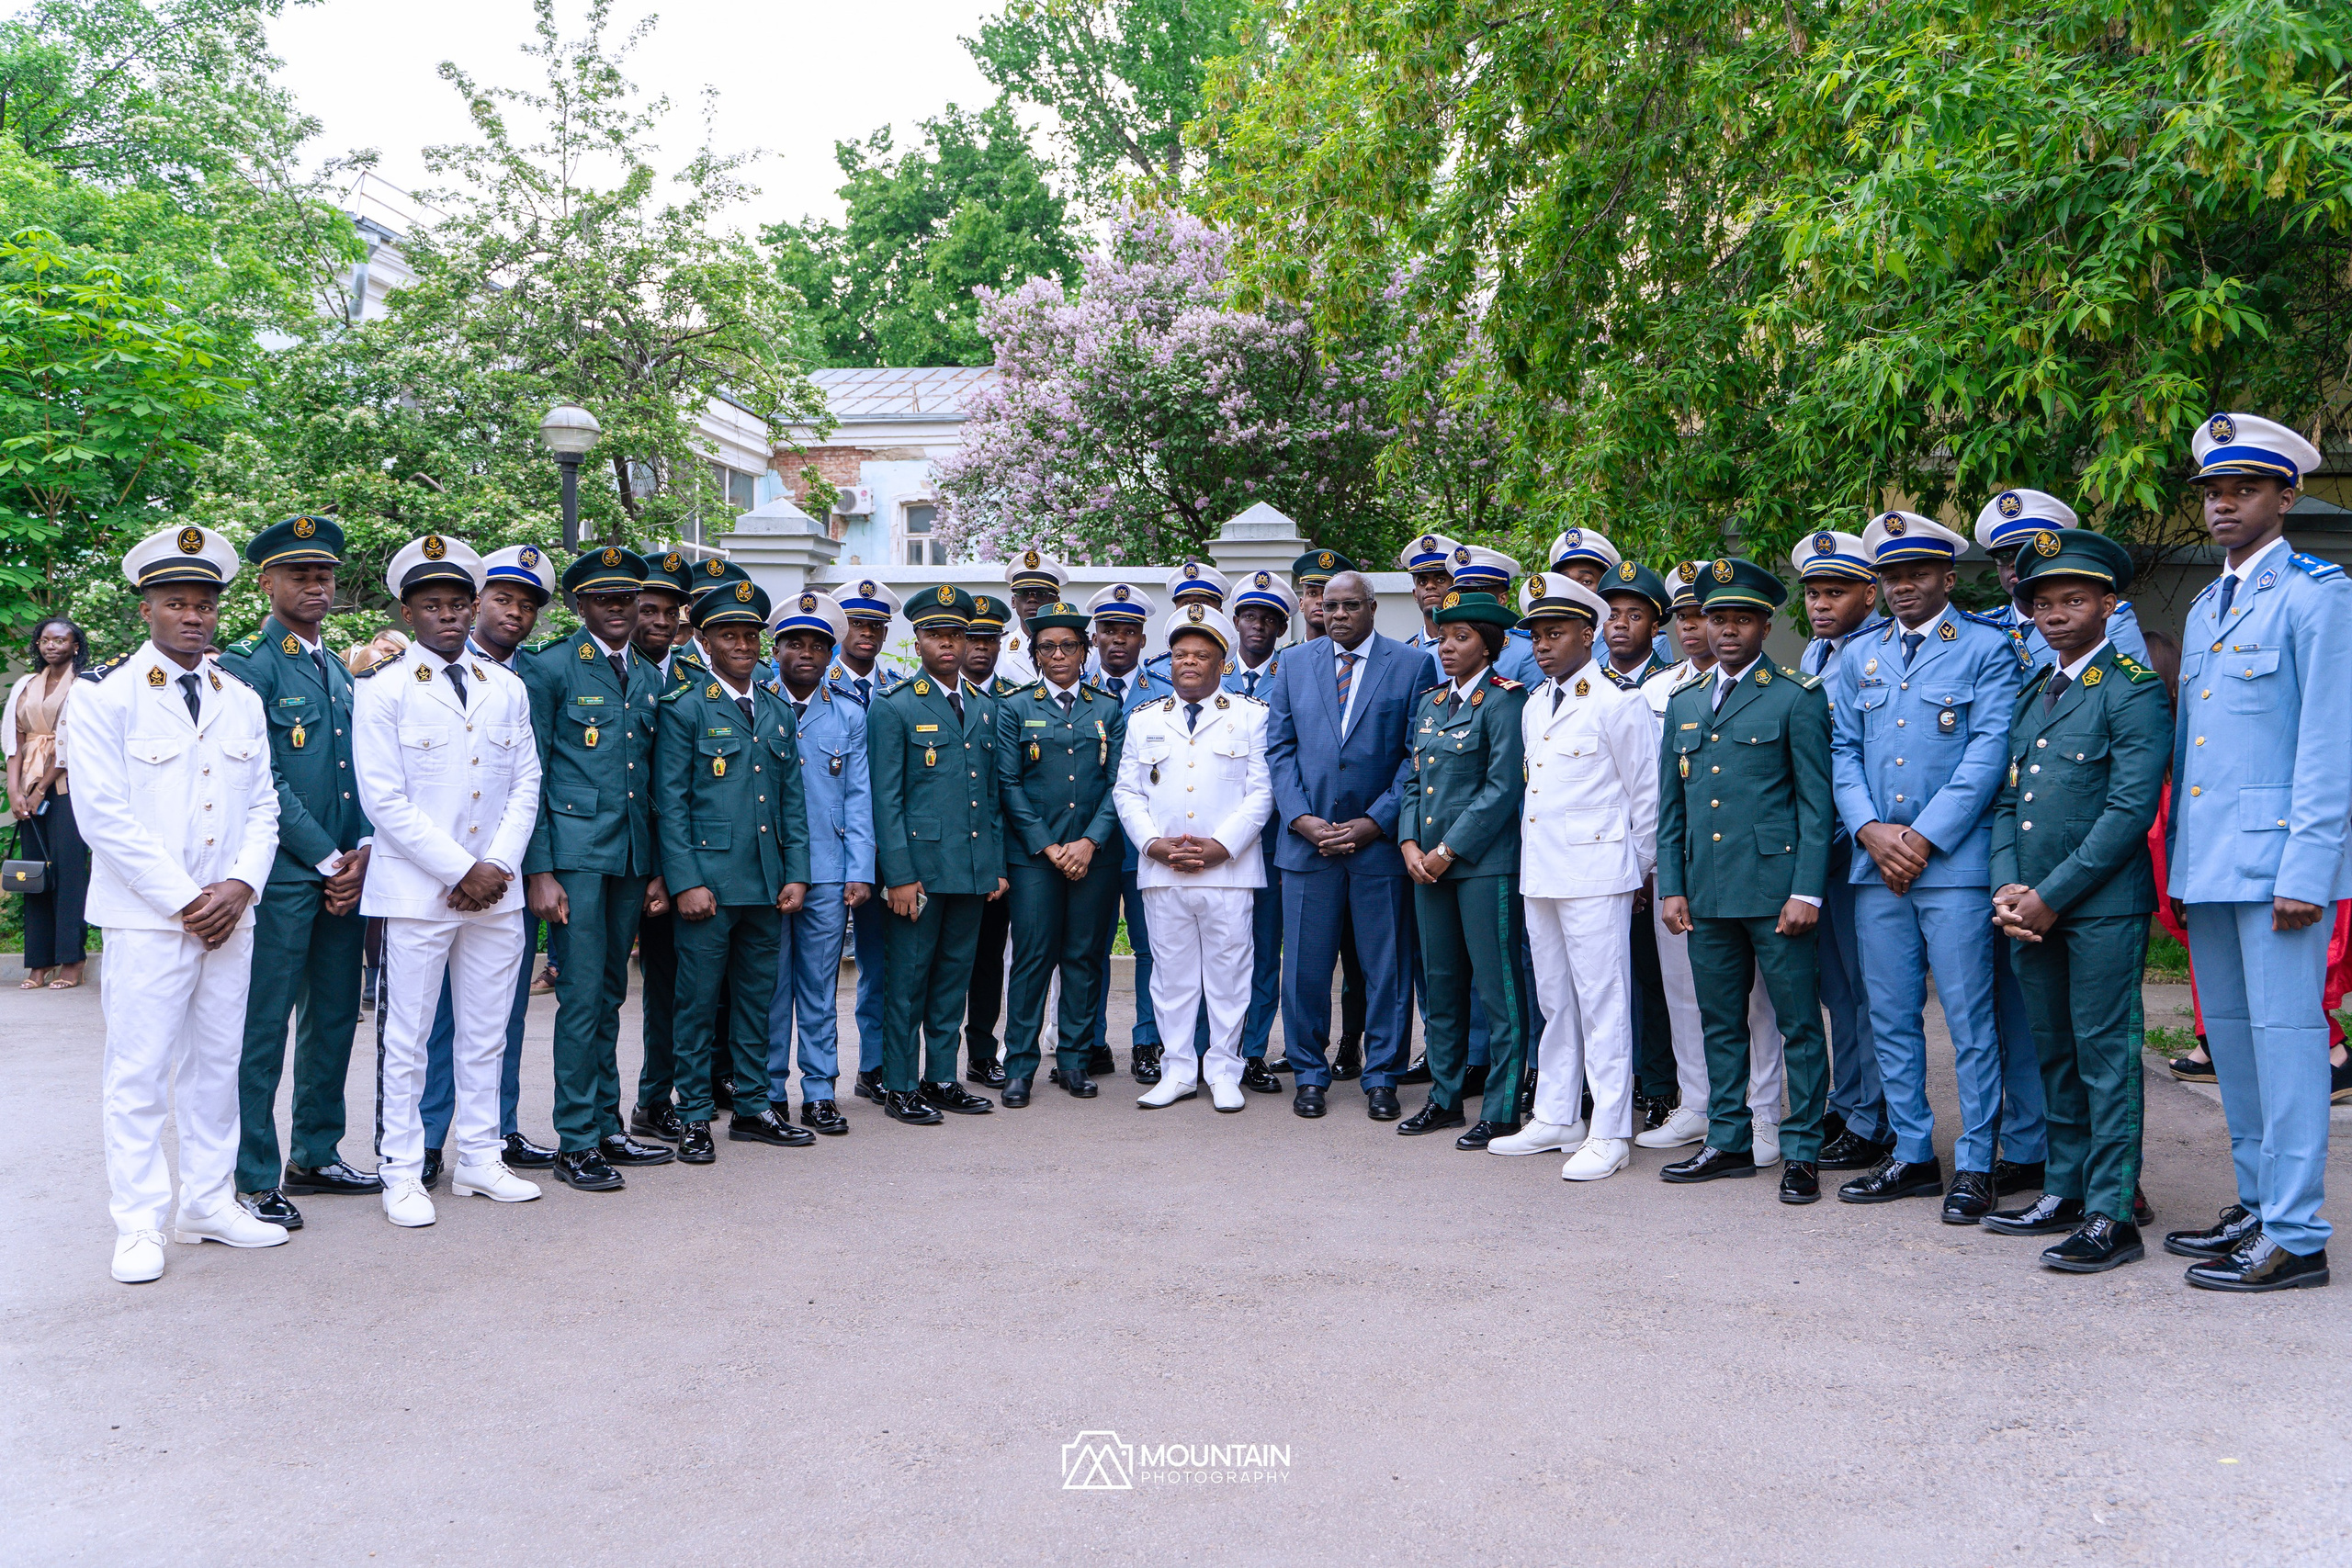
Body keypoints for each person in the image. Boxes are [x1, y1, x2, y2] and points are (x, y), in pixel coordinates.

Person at [74, 525, 288, 1282]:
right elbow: (103, 816)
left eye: (204, 604)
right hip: (150, 917)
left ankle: (207, 1200)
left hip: (232, 914)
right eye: (176, 603)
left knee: (217, 1063)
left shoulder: (242, 697)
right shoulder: (104, 695)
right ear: (147, 611)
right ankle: (138, 1222)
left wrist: (240, 886)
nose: (194, 616)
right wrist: (186, 899)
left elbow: (264, 805)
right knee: (138, 1071)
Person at [2163, 413, 2346, 1292]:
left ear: (2287, 493)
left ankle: (2299, 1234)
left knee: (2287, 1045)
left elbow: (2329, 743)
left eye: (2244, 488)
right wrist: (2184, 871)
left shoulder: (2319, 595)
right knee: (2234, 1047)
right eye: (2213, 490)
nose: (2225, 503)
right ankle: (2258, 1205)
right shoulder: (2206, 604)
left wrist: (2309, 871)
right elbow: (2198, 751)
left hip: (2280, 869)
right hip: (2213, 865)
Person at [1830, 511, 2046, 1220]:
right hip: (1877, 868)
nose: (1902, 586)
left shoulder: (1986, 648)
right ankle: (1914, 1153)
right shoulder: (1859, 655)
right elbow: (1841, 750)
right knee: (1890, 1014)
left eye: (1917, 573)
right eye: (1891, 575)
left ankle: (1979, 1160)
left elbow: (1990, 753)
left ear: (1948, 578)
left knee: (1969, 1018)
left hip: (1950, 865)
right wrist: (1868, 829)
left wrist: (1920, 837)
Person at [1984, 528, 2169, 1272]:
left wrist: (2050, 896)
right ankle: (2063, 1189)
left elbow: (2128, 812)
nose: (2055, 613)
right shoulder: (2036, 694)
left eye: (2073, 599)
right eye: (2043, 602)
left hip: (2097, 909)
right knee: (2054, 1052)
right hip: (2029, 908)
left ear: (2108, 603)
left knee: (2104, 1058)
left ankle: (2111, 1211)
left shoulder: (2132, 688)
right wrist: (2007, 885)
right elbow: (2006, 801)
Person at [351, 535, 545, 1227]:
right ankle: (401, 1172)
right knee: (405, 1036)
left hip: (497, 889)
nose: (449, 616)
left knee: (487, 1031)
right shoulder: (383, 691)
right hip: (419, 890)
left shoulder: (509, 687)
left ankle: (481, 1158)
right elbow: (384, 799)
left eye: (459, 603)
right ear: (408, 613)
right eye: (432, 605)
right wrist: (463, 869)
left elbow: (526, 783)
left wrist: (495, 865)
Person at [215, 517, 380, 1230]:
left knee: (335, 1017)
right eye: (300, 575)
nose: (316, 586)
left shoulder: (339, 669)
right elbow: (265, 778)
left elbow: (365, 774)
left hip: (346, 872)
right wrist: (326, 856)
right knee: (264, 1026)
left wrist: (364, 849)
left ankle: (315, 1151)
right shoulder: (250, 667)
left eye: (324, 575)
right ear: (267, 583)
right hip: (284, 874)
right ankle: (253, 1173)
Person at [1653, 558, 1833, 1204]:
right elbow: (1671, 806)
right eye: (1715, 618)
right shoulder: (1685, 702)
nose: (1726, 631)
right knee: (1720, 1020)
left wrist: (1807, 890)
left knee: (1796, 1024)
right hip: (1706, 890)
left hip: (1776, 889)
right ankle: (1728, 1141)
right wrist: (1671, 885)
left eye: (1741, 619)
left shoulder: (1796, 696)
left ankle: (1802, 1149)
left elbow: (1817, 804)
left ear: (1763, 624)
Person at [1492, 574, 1657, 1179]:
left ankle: (1610, 1129)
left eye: (1555, 632)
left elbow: (1646, 796)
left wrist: (1637, 871)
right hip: (1544, 872)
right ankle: (1558, 1114)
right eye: (1535, 633)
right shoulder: (1537, 703)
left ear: (1588, 633)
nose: (1541, 644)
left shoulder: (1618, 701)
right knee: (1555, 1000)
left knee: (1603, 1002)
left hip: (1597, 872)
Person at [520, 547, 674, 1193]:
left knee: (611, 993)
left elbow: (652, 779)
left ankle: (608, 1124)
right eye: (605, 599)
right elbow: (534, 776)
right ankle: (576, 1138)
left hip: (629, 858)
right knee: (580, 998)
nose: (619, 610)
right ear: (580, 605)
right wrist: (541, 869)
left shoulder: (647, 674)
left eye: (628, 600)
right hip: (576, 860)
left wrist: (659, 868)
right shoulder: (551, 668)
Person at [1265, 569, 1439, 1121]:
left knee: (1386, 969)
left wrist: (1376, 821)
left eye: (1349, 606)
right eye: (1328, 605)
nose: (1337, 614)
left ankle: (1382, 1076)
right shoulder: (1293, 664)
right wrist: (1300, 819)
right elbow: (1280, 750)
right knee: (1306, 970)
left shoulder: (1411, 665)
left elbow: (1418, 755)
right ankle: (1310, 1074)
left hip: (1378, 848)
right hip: (1308, 847)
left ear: (1372, 608)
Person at [654, 581, 815, 1161]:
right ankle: (694, 1114)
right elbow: (668, 803)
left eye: (752, 635)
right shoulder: (685, 706)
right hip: (710, 885)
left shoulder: (774, 708)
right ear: (704, 640)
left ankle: (752, 1106)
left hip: (767, 884)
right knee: (696, 1004)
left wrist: (797, 873)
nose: (743, 644)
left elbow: (791, 799)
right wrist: (686, 881)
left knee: (756, 1002)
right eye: (729, 634)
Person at [416, 544, 562, 1180]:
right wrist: (457, 867)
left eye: (527, 605)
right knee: (432, 1017)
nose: (514, 613)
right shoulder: (415, 670)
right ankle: (422, 1141)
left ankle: (496, 1134)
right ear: (477, 603)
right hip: (435, 875)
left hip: (504, 873)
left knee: (499, 1012)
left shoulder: (531, 677)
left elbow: (537, 782)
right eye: (503, 599)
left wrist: (516, 865)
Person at [1634, 560, 1786, 1158]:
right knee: (1687, 992)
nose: (1696, 628)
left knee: (1758, 1002)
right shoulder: (1660, 692)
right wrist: (1658, 868)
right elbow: (1658, 794)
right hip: (1685, 868)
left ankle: (1762, 1108)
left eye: (1708, 615)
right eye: (1687, 616)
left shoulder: (1780, 691)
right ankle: (1698, 1103)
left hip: (1751, 868)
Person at [1116, 604, 1272, 1111]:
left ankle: (1225, 1069)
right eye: (1180, 653)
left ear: (1221, 662)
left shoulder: (1252, 716)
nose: (1188, 662)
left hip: (1227, 872)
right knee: (1172, 977)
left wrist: (1222, 846)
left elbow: (1261, 792)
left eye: (1201, 655)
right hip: (1163, 871)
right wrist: (1152, 844)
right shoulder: (1144, 720)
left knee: (1230, 975)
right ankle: (1178, 1069)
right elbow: (1127, 792)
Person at [1395, 589, 1532, 1148]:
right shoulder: (1431, 702)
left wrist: (1447, 850)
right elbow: (1412, 779)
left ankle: (1500, 1109)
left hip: (1481, 867)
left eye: (1462, 637)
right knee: (1444, 987)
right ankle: (1446, 1098)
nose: (1447, 646)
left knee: (1499, 991)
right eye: (1443, 635)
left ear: (1490, 645)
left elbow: (1502, 788)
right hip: (1426, 867)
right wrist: (1407, 842)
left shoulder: (1506, 702)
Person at [867, 586, 1007, 1124]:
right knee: (908, 982)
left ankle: (941, 1077)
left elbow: (990, 796)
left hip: (971, 870)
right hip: (919, 875)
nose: (947, 644)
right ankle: (900, 1086)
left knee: (953, 978)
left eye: (956, 634)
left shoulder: (981, 705)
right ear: (918, 640)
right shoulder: (896, 705)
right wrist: (899, 875)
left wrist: (994, 865)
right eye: (935, 635)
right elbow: (887, 799)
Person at [1791, 530, 1894, 1172]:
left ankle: (1874, 1117)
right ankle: (1848, 1096)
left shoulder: (1880, 648)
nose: (1821, 604)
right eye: (1813, 592)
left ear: (1869, 592)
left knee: (1870, 986)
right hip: (1817, 845)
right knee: (1836, 987)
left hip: (1860, 842)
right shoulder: (1815, 651)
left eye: (1836, 592)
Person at [996, 598, 1125, 1104]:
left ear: (1084, 650)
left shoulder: (1108, 708)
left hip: (1095, 856)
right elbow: (1008, 784)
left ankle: (1073, 1061)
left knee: (1084, 957)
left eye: (1068, 645)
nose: (1058, 655)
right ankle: (1020, 1065)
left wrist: (1089, 842)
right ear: (1034, 654)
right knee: (1032, 957)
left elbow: (1121, 784)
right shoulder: (1016, 707)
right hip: (1035, 859)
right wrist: (1051, 847)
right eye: (1047, 647)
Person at [763, 591, 873, 1135]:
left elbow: (858, 797)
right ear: (776, 647)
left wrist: (860, 870)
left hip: (830, 870)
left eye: (817, 644)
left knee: (818, 985)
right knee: (768, 986)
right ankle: (766, 1092)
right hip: (768, 869)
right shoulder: (757, 703)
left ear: (832, 653)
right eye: (794, 643)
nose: (806, 652)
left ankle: (821, 1089)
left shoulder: (848, 713)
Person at [1081, 582, 1173, 1082]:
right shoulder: (1078, 690)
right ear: (1094, 638)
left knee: (1148, 947)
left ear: (1143, 639)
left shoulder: (1162, 694)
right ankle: (1090, 1041)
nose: (1118, 640)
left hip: (1146, 844)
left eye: (1129, 632)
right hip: (1091, 844)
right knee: (1089, 946)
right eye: (1109, 631)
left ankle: (1146, 1041)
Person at [625, 547, 697, 1138]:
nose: (657, 621)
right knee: (599, 996)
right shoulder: (616, 673)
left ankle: (657, 1097)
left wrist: (671, 869)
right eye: (647, 608)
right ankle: (596, 1120)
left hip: (677, 860)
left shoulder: (694, 679)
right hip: (616, 856)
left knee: (673, 988)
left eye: (669, 611)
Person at [831, 577, 907, 1105]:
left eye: (877, 625)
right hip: (829, 849)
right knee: (801, 975)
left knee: (883, 963)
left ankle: (875, 1064)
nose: (867, 634)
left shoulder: (900, 686)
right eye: (858, 624)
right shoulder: (806, 680)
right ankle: (791, 1082)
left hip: (888, 849)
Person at [1222, 571, 1296, 1091]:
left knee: (1264, 950)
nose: (1258, 626)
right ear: (1236, 622)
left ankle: (1251, 1052)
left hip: (1270, 840)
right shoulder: (1210, 674)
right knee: (1217, 950)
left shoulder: (1292, 675)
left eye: (1270, 619)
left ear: (1281, 628)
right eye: (1250, 615)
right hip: (1212, 843)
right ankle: (1213, 1047)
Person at [959, 593, 1025, 1088]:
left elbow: (1010, 788)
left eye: (990, 640)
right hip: (939, 856)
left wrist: (1000, 862)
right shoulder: (915, 695)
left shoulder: (1011, 700)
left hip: (994, 855)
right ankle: (924, 1065)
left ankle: (983, 1052)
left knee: (987, 963)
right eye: (973, 639)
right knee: (935, 968)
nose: (981, 649)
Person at [6, 615, 91, 988]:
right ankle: (38, 963)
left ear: (75, 645)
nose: (51, 645)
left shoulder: (86, 684)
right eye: (44, 639)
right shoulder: (26, 684)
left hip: (70, 788)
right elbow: (15, 737)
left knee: (70, 872)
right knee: (32, 875)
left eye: (60, 640)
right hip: (27, 784)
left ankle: (71, 960)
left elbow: (74, 740)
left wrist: (41, 788)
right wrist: (14, 789)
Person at [1973, 489, 2148, 665]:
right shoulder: (1982, 629)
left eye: (2030, 552)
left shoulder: (2108, 620)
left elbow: (2133, 689)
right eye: (2004, 555)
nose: (2015, 563)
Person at [1142, 561, 1231, 682]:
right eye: (1186, 603)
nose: (1195, 611)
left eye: (1203, 603)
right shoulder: (1154, 671)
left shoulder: (1234, 667)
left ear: (1219, 613)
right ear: (1176, 612)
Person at [995, 549, 1068, 687]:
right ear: (1013, 601)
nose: (1032, 599)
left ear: (1056, 601)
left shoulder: (1075, 649)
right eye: (1023, 593)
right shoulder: (999, 650)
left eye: (1041, 593)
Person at [1396, 533, 1463, 655]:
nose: (1430, 586)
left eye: (1440, 580)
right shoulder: (1405, 654)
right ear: (1415, 595)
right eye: (1422, 582)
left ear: (1456, 589)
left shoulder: (1477, 648)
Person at [1291, 549, 1354, 643]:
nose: (1320, 600)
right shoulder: (1286, 656)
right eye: (1312, 593)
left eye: (1327, 594)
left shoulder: (1351, 656)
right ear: (1301, 604)